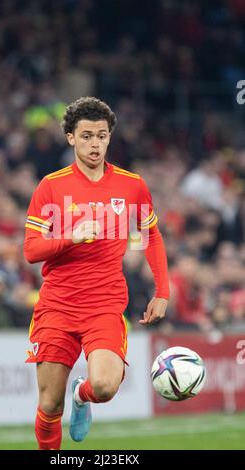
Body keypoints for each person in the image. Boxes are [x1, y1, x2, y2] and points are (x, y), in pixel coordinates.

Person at [23, 97, 170, 450]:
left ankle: (82, 395)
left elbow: (149, 237)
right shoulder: (51, 186)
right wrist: (68, 237)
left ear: (109, 138)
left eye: (101, 136)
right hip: (57, 306)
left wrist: (162, 291)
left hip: (104, 304)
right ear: (71, 138)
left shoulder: (131, 185)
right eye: (86, 136)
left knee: (103, 387)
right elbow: (31, 250)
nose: (95, 144)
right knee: (48, 405)